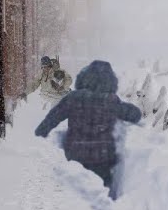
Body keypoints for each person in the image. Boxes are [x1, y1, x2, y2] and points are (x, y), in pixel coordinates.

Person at [34, 60, 141, 200]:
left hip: (75, 155)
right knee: (102, 194)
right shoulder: (111, 101)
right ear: (111, 82)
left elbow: (51, 119)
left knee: (74, 196)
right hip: (102, 158)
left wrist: (40, 134)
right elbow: (135, 115)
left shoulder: (72, 99)